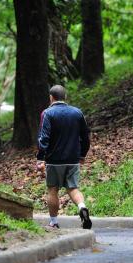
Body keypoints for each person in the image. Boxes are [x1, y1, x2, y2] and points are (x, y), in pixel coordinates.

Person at [36, 85, 92, 229]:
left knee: (52, 189)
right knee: (73, 188)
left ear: (51, 97)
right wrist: (82, 155)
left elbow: (44, 138)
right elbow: (85, 137)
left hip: (54, 160)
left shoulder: (47, 113)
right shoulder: (77, 112)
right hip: (73, 159)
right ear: (65, 97)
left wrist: (41, 158)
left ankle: (54, 222)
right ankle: (82, 207)